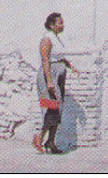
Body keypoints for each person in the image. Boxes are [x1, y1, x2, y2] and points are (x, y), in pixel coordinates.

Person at [34, 12, 79, 154]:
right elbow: (45, 60)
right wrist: (49, 81)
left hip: (58, 74)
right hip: (50, 75)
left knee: (58, 108)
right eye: (60, 22)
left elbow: (59, 57)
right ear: (52, 25)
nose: (63, 25)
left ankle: (50, 142)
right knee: (52, 107)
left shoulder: (56, 39)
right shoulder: (47, 39)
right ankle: (39, 138)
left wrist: (70, 66)